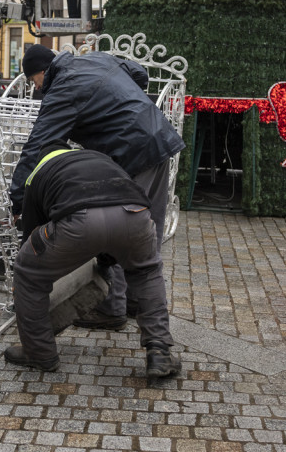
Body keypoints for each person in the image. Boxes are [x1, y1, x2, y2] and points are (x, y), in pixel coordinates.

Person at [9, 44, 185, 342]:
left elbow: (38, 146)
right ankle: (136, 302)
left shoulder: (63, 89)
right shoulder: (96, 59)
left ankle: (113, 308)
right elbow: (139, 73)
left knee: (120, 227)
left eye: (32, 81)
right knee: (146, 230)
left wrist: (18, 197)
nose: (35, 88)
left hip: (128, 153)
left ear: (41, 72)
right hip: (159, 138)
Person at [5, 143, 180, 378]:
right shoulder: (98, 157)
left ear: (42, 158)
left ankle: (38, 352)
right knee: (146, 273)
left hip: (80, 219)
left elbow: (32, 237)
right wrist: (105, 261)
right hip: (136, 215)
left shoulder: (37, 172)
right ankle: (159, 352)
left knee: (28, 272)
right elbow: (111, 214)